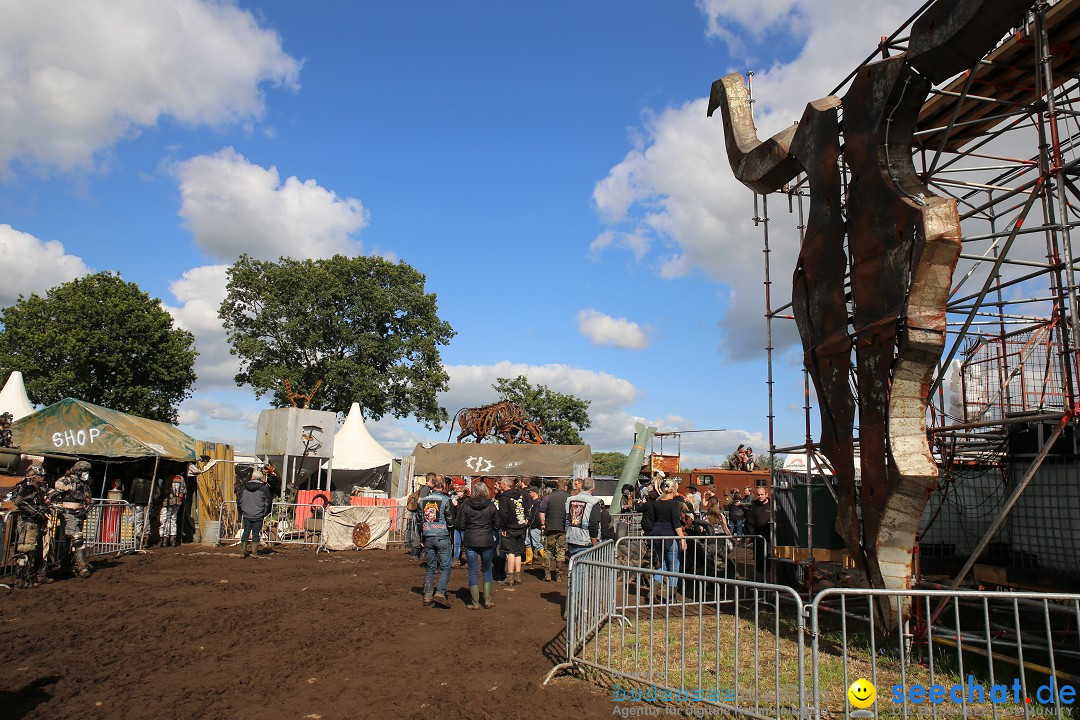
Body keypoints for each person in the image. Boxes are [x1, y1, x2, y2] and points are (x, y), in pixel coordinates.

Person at [454, 480, 500, 609]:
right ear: (486, 491)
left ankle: (474, 603)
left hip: (470, 540)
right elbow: (497, 524)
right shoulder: (491, 506)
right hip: (486, 541)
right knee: (487, 570)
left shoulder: (466, 505)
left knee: (473, 571)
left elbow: (460, 525)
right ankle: (488, 601)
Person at [49, 460, 94, 577]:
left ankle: (66, 565)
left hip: (79, 515)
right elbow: (53, 494)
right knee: (77, 539)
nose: (86, 474)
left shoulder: (85, 486)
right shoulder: (66, 481)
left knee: (69, 541)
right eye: (84, 472)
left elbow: (90, 501)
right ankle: (82, 566)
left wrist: (85, 509)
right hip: (68, 515)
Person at [645, 477, 686, 602]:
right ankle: (671, 597)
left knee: (662, 565)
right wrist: (683, 539)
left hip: (657, 534)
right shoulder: (674, 504)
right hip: (670, 535)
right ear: (673, 490)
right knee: (674, 566)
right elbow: (676, 523)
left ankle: (652, 594)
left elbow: (653, 519)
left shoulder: (656, 503)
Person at [10, 464, 52, 587]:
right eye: (40, 476)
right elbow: (19, 501)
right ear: (33, 475)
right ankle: (22, 580)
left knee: (35, 550)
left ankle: (32, 577)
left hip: (36, 522)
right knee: (26, 550)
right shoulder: (27, 485)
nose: (42, 478)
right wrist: (34, 511)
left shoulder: (37, 488)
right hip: (28, 521)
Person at [416, 474, 455, 607]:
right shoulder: (446, 500)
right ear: (443, 485)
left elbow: (419, 521)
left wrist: (422, 536)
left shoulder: (423, 501)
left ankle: (427, 595)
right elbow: (450, 521)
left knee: (430, 567)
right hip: (442, 535)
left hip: (428, 535)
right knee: (446, 566)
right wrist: (451, 534)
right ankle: (439, 592)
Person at [496, 476, 529, 586]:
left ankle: (509, 577)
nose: (500, 486)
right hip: (521, 526)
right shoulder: (522, 494)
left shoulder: (504, 497)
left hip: (510, 527)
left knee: (510, 552)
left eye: (500, 484)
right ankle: (517, 576)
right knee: (518, 552)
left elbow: (503, 514)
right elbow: (527, 507)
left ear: (505, 485)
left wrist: (504, 528)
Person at [539, 477, 569, 582]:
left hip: (550, 527)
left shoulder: (548, 497)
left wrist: (543, 524)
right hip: (563, 528)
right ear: (565, 487)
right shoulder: (569, 498)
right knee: (560, 551)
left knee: (548, 550)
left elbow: (541, 511)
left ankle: (547, 574)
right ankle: (559, 576)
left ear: (557, 487)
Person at [565, 476, 602, 559]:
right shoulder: (594, 502)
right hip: (585, 541)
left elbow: (566, 517)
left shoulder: (569, 500)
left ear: (582, 486)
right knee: (581, 568)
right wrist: (595, 543)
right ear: (593, 488)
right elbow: (593, 524)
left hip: (571, 537)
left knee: (573, 565)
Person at [239, 469, 273, 558]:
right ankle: (254, 552)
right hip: (258, 514)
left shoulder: (244, 487)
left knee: (246, 532)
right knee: (255, 533)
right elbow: (268, 501)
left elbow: (239, 500)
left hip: (246, 514)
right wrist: (264, 512)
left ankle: (242, 551)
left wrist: (242, 511)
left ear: (252, 477)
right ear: (261, 478)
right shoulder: (264, 488)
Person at [746, 486, 773, 580]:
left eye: (762, 494)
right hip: (758, 537)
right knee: (759, 558)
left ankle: (769, 577)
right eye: (758, 495)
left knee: (770, 557)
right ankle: (761, 577)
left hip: (770, 537)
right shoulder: (754, 505)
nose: (760, 496)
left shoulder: (772, 505)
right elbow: (749, 521)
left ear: (766, 494)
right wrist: (751, 535)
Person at [158, 474, 185, 547]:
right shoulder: (181, 478)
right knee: (173, 520)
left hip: (168, 501)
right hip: (177, 501)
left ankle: (164, 539)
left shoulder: (167, 478)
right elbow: (184, 490)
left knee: (165, 520)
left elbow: (164, 490)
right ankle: (173, 539)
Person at [128, 474, 154, 548]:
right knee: (146, 521)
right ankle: (146, 539)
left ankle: (137, 540)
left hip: (138, 502)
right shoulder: (150, 481)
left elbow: (132, 492)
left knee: (138, 522)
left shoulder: (136, 481)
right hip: (147, 503)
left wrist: (130, 501)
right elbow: (154, 493)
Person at [450, 477, 468, 567]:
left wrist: (457, 506)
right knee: (456, 544)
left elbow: (465, 512)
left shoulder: (467, 501)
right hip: (457, 524)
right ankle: (455, 559)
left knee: (466, 544)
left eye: (459, 492)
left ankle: (468, 560)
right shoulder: (457, 500)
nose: (458, 493)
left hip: (464, 525)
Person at [524, 484, 543, 566]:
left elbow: (536, 516)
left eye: (530, 492)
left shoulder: (537, 502)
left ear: (535, 493)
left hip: (534, 527)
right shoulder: (534, 502)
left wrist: (530, 524)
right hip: (530, 526)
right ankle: (528, 560)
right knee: (527, 542)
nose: (529, 493)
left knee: (537, 544)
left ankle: (546, 560)